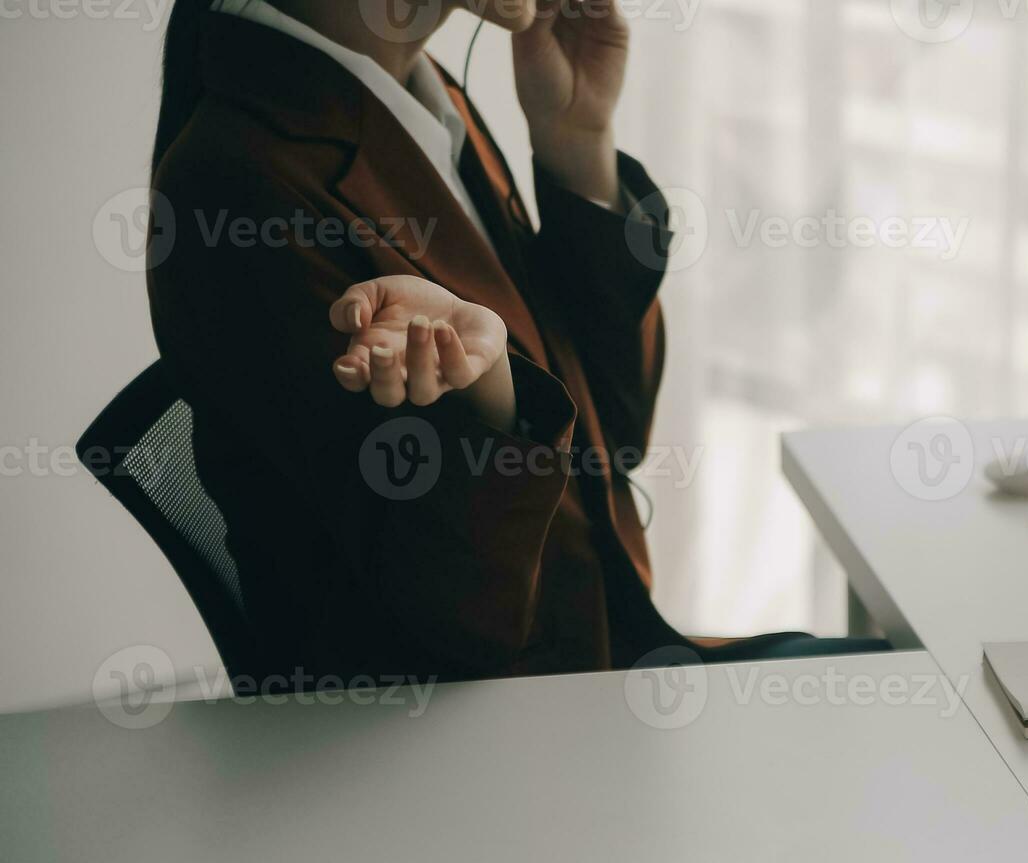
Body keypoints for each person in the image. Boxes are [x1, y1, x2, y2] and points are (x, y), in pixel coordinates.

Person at [148, 0, 886, 687]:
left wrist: (577, 145)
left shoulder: (420, 96)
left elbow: (613, 448)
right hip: (500, 740)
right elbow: (464, 623)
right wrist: (494, 392)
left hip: (605, 657)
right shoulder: (238, 183)